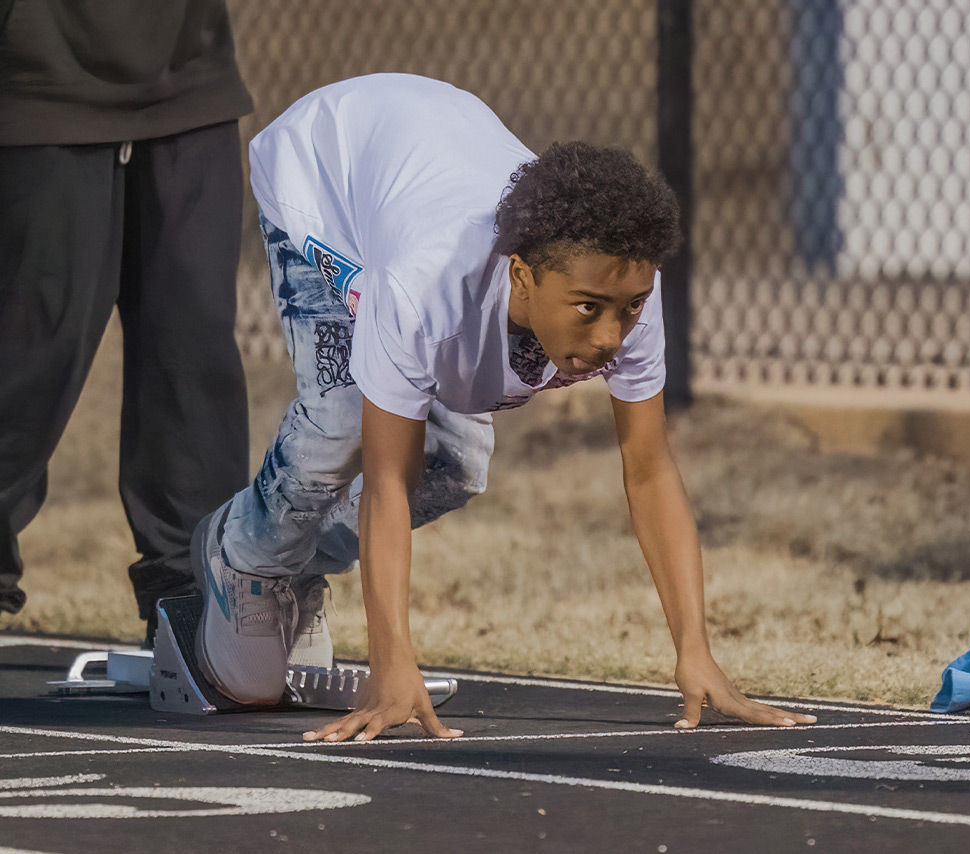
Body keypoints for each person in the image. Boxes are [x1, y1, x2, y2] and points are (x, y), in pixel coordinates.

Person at [193, 73, 818, 740]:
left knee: (456, 465)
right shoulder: (421, 288)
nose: (611, 337)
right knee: (344, 419)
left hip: (428, 155)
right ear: (523, 274)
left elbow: (650, 469)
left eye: (627, 310)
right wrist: (391, 660)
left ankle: (297, 563)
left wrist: (696, 650)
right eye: (588, 309)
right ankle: (244, 550)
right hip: (329, 177)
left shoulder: (630, 285)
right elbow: (385, 482)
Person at [0, 0, 253, 644]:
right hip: (39, 86)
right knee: (33, 352)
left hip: (191, 84)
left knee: (191, 352)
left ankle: (193, 596)